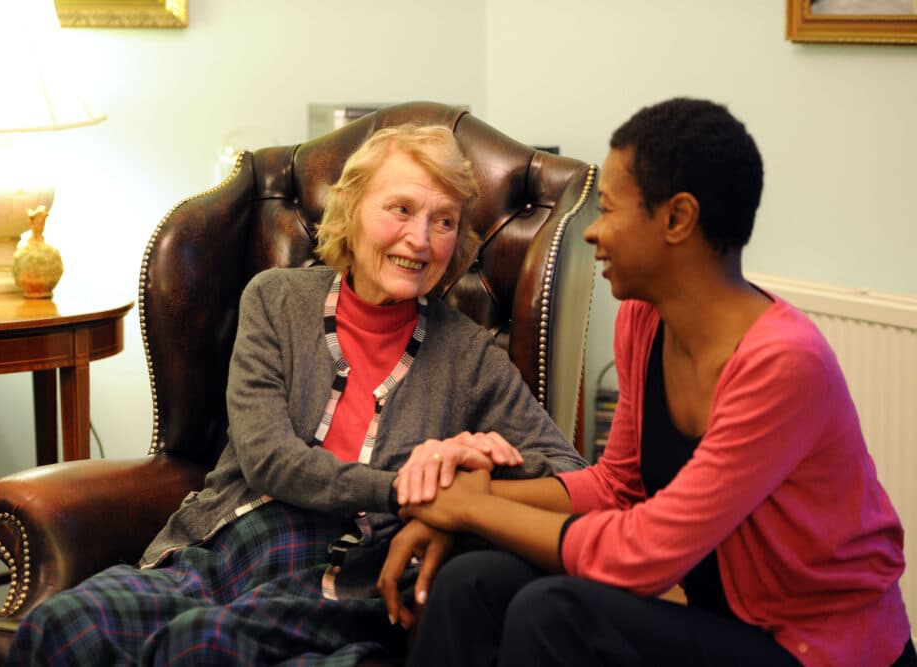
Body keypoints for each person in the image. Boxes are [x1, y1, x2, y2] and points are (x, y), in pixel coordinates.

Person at [6, 124, 586, 666]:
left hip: (345, 574)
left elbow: (572, 473)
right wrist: (407, 492)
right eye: (401, 209)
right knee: (59, 627)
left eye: (444, 221)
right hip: (229, 544)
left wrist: (476, 466)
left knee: (201, 646)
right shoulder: (276, 300)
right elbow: (267, 458)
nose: (421, 239)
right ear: (353, 210)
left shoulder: (470, 355)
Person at [380, 99, 915, 667]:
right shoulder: (645, 318)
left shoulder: (784, 363)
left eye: (609, 210)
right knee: (474, 580)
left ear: (677, 219)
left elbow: (643, 553)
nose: (594, 233)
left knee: (554, 614)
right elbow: (617, 487)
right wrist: (456, 502)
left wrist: (472, 510)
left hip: (816, 649)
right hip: (720, 616)